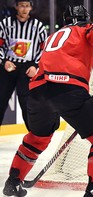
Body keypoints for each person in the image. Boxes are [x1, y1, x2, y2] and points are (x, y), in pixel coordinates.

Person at [1, 4, 93, 197]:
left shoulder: (54, 36)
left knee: (37, 138)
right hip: (68, 88)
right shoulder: (87, 28)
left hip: (37, 91)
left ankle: (12, 182)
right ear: (85, 18)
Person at [0, 0, 47, 130]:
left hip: (27, 69)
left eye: (27, 6)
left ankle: (32, 137)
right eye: (21, 5)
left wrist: (36, 66)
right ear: (16, 7)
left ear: (31, 8)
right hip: (8, 67)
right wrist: (4, 61)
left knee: (27, 103)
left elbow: (44, 49)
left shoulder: (38, 27)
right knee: (1, 101)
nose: (24, 9)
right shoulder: (5, 24)